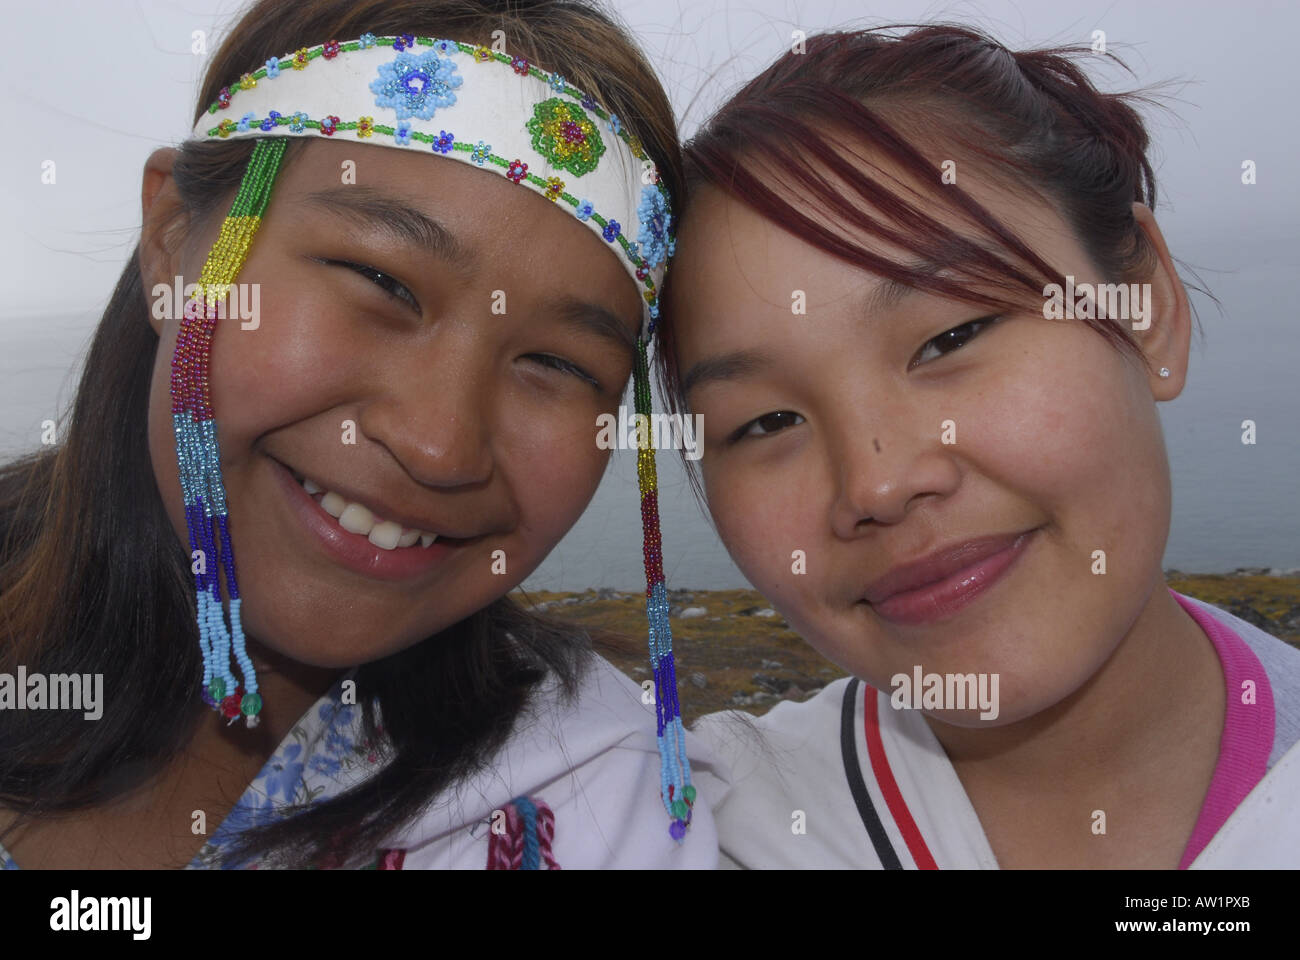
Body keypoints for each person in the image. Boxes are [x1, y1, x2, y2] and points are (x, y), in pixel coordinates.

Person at [0, 0, 718, 870]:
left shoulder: (588, 799)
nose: (439, 445)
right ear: (171, 239)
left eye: (561, 364)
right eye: (379, 277)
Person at [659, 24, 1300, 868]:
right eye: (765, 423)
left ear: (1146, 306)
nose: (878, 484)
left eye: (951, 336)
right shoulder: (701, 830)